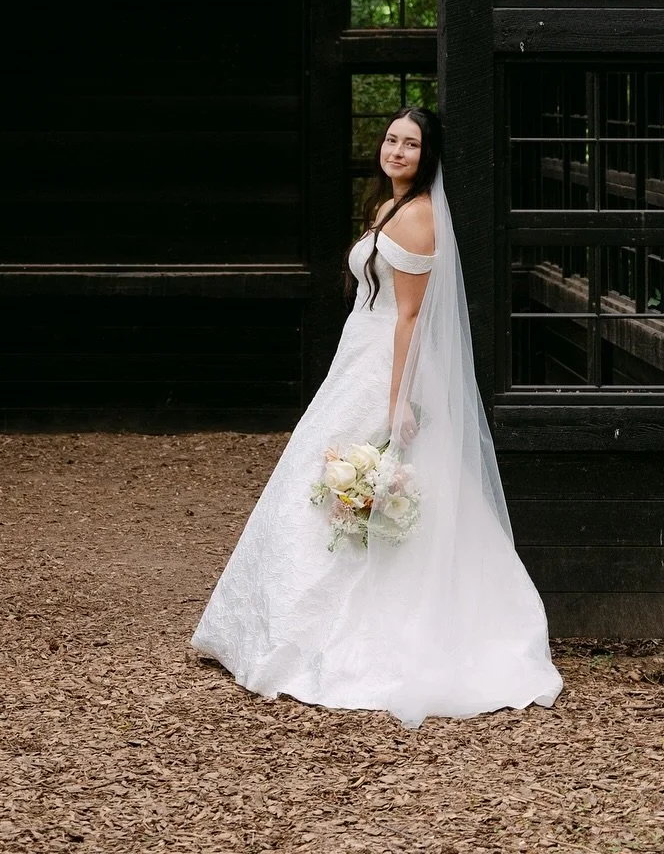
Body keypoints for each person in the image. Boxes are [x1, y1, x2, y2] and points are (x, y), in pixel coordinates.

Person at [191, 105, 561, 726]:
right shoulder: (386, 206)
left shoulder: (417, 218)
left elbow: (410, 318)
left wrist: (397, 402)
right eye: (391, 140)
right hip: (358, 356)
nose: (395, 151)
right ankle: (273, 623)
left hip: (386, 365)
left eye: (410, 145)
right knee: (319, 482)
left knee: (363, 484)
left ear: (427, 157)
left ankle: (348, 632)